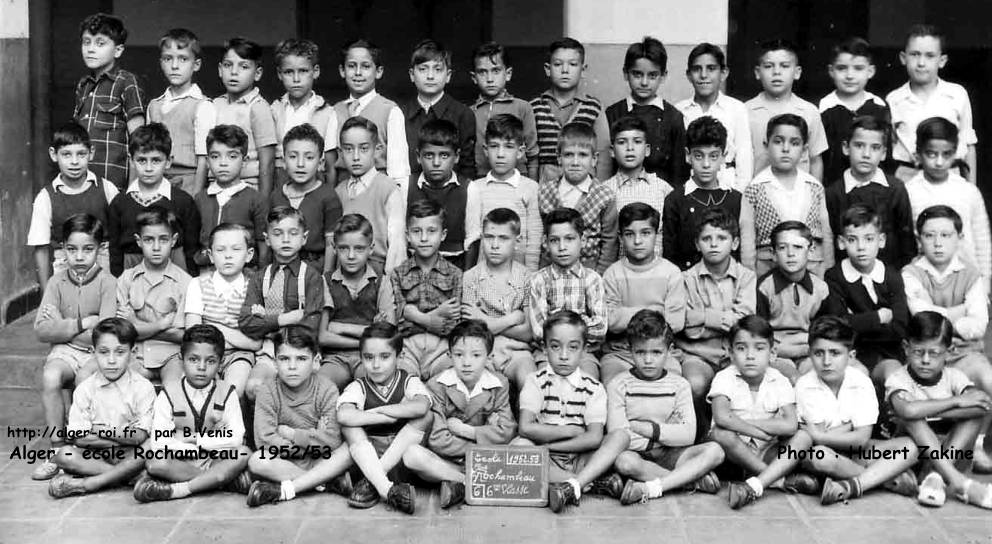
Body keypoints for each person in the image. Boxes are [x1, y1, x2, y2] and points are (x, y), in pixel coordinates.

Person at [903, 205, 992, 472]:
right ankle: (929, 453)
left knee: (988, 381)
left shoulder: (971, 275)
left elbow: (977, 326)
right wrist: (959, 312)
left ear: (959, 238)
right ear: (919, 239)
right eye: (929, 236)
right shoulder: (911, 273)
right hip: (927, 354)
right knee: (910, 395)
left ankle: (976, 445)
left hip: (965, 354)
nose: (938, 243)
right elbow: (922, 320)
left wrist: (940, 314)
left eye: (946, 235)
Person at [798, 317, 920, 506]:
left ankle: (854, 484)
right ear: (809, 354)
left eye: (835, 353)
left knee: (911, 447)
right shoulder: (806, 385)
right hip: (827, 455)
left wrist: (824, 435)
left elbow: (861, 438)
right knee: (819, 456)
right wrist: (848, 427)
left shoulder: (861, 382)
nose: (827, 361)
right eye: (819, 353)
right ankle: (884, 479)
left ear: (851, 356)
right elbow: (816, 441)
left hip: (857, 452)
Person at [513, 310, 626, 513]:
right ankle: (585, 483)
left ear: (584, 350)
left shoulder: (593, 387)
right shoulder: (535, 381)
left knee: (620, 436)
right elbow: (525, 428)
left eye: (573, 347)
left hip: (581, 457)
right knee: (520, 448)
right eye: (555, 347)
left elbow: (593, 438)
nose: (564, 356)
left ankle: (570, 484)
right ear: (544, 348)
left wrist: (549, 442)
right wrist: (571, 431)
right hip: (546, 458)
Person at [32, 214, 117, 481]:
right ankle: (57, 449)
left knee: (85, 379)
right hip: (65, 352)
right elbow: (40, 330)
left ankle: (86, 446)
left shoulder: (108, 282)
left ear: (100, 249)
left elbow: (104, 336)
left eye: (88, 249)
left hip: (97, 354)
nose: (79, 256)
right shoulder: (56, 282)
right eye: (72, 249)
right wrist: (82, 323)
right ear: (63, 249)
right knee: (50, 376)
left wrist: (62, 326)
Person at [609, 310, 725, 504]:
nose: (648, 360)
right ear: (630, 350)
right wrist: (667, 433)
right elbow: (619, 436)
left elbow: (688, 435)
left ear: (669, 350)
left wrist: (648, 429)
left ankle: (654, 486)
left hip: (672, 454)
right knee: (624, 461)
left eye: (656, 352)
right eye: (640, 352)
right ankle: (689, 480)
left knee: (715, 450)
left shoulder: (679, 385)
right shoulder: (619, 385)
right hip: (639, 458)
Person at [709, 315, 819, 509]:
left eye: (759, 348)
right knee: (721, 432)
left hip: (767, 450)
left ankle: (757, 482)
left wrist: (742, 423)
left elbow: (790, 425)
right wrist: (760, 430)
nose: (750, 356)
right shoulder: (724, 378)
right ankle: (776, 479)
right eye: (742, 348)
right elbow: (721, 417)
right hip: (732, 455)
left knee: (803, 437)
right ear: (731, 353)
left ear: (773, 352)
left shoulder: (779, 380)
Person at [405, 319, 517, 509]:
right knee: (412, 455)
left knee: (520, 447)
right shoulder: (437, 385)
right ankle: (467, 482)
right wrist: (487, 434)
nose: (466, 363)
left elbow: (507, 432)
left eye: (476, 355)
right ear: (449, 356)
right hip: (450, 462)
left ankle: (459, 486)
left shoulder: (499, 384)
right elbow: (439, 440)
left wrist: (465, 431)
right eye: (459, 355)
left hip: (487, 462)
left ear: (489, 357)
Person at [885, 311, 992, 509]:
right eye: (918, 352)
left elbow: (982, 405)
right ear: (906, 348)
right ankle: (956, 482)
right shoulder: (898, 379)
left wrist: (925, 410)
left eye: (934, 353)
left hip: (954, 453)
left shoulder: (954, 376)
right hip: (914, 458)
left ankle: (936, 475)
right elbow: (908, 411)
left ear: (949, 351)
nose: (925, 360)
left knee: (973, 415)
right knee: (912, 419)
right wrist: (958, 401)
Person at [134, 324, 252, 502]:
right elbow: (160, 441)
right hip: (182, 461)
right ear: (182, 359)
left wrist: (196, 440)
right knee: (155, 462)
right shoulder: (168, 394)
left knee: (243, 453)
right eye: (194, 359)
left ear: (220, 362)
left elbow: (236, 438)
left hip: (216, 459)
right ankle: (222, 480)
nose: (202, 367)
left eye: (210, 361)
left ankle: (180, 489)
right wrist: (194, 449)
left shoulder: (228, 393)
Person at [246, 324, 353, 507]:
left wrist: (292, 435)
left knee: (349, 450)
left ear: (316, 360)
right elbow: (265, 441)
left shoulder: (327, 389)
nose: (292, 366)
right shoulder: (267, 391)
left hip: (320, 458)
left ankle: (292, 486)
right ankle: (323, 482)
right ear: (274, 362)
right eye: (284, 359)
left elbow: (332, 440)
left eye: (301, 358)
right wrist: (314, 437)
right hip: (287, 460)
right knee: (257, 460)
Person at [47, 318, 155, 498]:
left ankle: (89, 483)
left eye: (120, 352)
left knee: (152, 446)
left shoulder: (143, 387)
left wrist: (98, 430)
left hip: (130, 454)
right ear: (93, 353)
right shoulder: (84, 389)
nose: (111, 360)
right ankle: (128, 476)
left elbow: (140, 436)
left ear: (133, 352)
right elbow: (79, 439)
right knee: (65, 454)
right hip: (97, 455)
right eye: (104, 352)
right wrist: (121, 438)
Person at [336, 321, 429, 515]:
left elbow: (421, 406)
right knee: (349, 427)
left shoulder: (408, 381)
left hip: (402, 460)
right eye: (369, 357)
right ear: (360, 358)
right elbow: (344, 415)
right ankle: (387, 490)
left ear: (399, 356)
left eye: (385, 357)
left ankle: (373, 483)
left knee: (426, 417)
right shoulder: (358, 386)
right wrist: (388, 417)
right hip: (369, 458)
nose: (376, 365)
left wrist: (373, 413)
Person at [239, 206, 328, 399]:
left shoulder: (311, 277)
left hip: (301, 351)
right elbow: (247, 323)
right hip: (269, 351)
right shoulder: (259, 277)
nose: (286, 239)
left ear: (304, 238)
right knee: (254, 387)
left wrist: (266, 320)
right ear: (267, 239)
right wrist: (283, 319)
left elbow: (310, 325)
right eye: (278, 234)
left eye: (293, 233)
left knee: (300, 391)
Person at [676, 208, 756, 418]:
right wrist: (723, 319)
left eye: (721, 238)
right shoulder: (686, 278)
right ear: (697, 244)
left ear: (735, 243)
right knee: (695, 384)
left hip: (734, 354)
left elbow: (744, 323)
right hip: (697, 354)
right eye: (706, 238)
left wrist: (703, 318)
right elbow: (686, 325)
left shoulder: (746, 277)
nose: (713, 244)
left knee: (747, 383)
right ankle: (698, 435)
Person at [822, 204, 909, 388]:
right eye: (852, 240)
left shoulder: (891, 275)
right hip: (852, 354)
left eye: (869, 239)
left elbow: (900, 328)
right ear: (841, 242)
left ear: (882, 240)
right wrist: (879, 317)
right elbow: (838, 325)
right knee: (856, 377)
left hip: (889, 354)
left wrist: (856, 322)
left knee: (895, 377)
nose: (861, 247)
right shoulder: (835, 277)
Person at [600, 203, 686, 386]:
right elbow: (611, 321)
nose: (637, 241)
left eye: (645, 233)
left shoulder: (671, 273)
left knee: (672, 382)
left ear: (657, 234)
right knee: (613, 383)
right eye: (630, 234)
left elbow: (676, 322)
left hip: (661, 353)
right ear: (621, 237)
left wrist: (627, 314)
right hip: (620, 353)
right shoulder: (613, 273)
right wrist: (655, 310)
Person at [28, 122, 118, 290]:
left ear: (91, 153)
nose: (74, 162)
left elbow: (120, 236)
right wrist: (46, 295)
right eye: (67, 154)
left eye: (81, 154)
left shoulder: (107, 189)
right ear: (54, 155)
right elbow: (40, 247)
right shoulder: (45, 198)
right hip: (65, 263)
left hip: (102, 261)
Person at [742, 114, 833, 276]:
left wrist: (828, 273)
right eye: (778, 141)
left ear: (804, 150)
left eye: (794, 143)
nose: (785, 149)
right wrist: (750, 277)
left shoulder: (814, 187)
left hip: (812, 269)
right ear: (766, 145)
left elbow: (826, 234)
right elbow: (747, 240)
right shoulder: (754, 189)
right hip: (768, 269)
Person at [904, 117, 991, 287]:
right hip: (925, 281)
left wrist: (985, 280)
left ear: (955, 152)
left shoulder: (968, 191)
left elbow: (982, 240)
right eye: (931, 154)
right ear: (918, 153)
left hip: (967, 280)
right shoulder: (909, 191)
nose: (939, 162)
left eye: (946, 154)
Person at [382, 198, 463, 379]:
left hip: (442, 349)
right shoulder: (397, 274)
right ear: (408, 235)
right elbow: (398, 322)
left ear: (443, 234)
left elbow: (452, 324)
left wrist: (413, 315)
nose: (424, 238)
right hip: (407, 347)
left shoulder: (455, 274)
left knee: (448, 381)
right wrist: (432, 317)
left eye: (432, 231)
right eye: (417, 231)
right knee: (403, 382)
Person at [107, 123, 200, 277]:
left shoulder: (183, 201)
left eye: (156, 160)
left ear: (169, 161)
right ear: (131, 160)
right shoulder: (120, 202)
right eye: (142, 160)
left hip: (174, 271)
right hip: (131, 271)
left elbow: (191, 249)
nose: (149, 168)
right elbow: (115, 250)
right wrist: (117, 281)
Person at [887, 25, 977, 183]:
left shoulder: (957, 94)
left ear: (942, 61)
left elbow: (968, 145)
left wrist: (971, 188)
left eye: (930, 56)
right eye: (914, 54)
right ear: (903, 58)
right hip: (908, 178)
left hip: (951, 177)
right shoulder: (894, 99)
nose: (921, 63)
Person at [824, 115, 916, 269]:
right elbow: (831, 241)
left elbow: (906, 240)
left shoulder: (895, 188)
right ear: (846, 148)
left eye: (875, 147)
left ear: (884, 153)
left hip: (889, 275)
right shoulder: (833, 193)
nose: (866, 154)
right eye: (859, 145)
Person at [663, 116, 753, 271]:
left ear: (724, 157)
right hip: (687, 284)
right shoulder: (676, 200)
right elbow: (670, 255)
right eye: (699, 156)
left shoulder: (735, 199)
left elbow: (742, 254)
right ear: (687, 155)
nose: (706, 164)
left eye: (713, 156)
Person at [460, 208, 536, 391]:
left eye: (503, 238)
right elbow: (471, 328)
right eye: (489, 237)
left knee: (530, 379)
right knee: (481, 386)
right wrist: (511, 319)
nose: (494, 245)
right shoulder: (471, 278)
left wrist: (485, 320)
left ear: (517, 242)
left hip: (518, 352)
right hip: (483, 352)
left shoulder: (527, 278)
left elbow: (528, 332)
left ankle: (528, 419)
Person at [528, 208, 607, 379]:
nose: (562, 247)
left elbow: (601, 328)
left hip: (583, 352)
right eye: (555, 240)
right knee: (543, 381)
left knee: (589, 380)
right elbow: (538, 330)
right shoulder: (539, 280)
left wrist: (556, 322)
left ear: (583, 240)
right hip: (548, 352)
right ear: (545, 243)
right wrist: (581, 322)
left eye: (569, 239)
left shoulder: (592, 279)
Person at [115, 206, 191, 385]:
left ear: (173, 240)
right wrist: (162, 325)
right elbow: (121, 332)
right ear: (138, 241)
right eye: (149, 240)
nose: (156, 247)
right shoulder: (127, 279)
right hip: (134, 355)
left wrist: (136, 325)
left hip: (172, 356)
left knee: (175, 388)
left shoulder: (186, 282)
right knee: (119, 385)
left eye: (163, 240)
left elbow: (183, 335)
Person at [184, 223, 261, 397]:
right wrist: (236, 335)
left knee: (232, 392)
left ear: (249, 255)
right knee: (195, 392)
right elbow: (193, 334)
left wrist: (212, 325)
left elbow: (255, 343)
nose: (228, 256)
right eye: (220, 250)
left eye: (236, 249)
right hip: (203, 354)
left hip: (239, 356)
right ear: (210, 255)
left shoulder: (255, 287)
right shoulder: (197, 285)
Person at [318, 214, 391, 391]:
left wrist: (341, 327)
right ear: (334, 248)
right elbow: (323, 337)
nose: (351, 256)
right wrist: (369, 331)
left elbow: (387, 334)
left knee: (372, 385)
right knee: (320, 385)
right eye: (343, 248)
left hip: (371, 356)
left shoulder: (382, 281)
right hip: (335, 358)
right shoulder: (325, 281)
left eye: (359, 248)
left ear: (371, 248)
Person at [74, 13, 146, 188]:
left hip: (114, 183)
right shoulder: (83, 85)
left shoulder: (126, 82)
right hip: (82, 182)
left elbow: (139, 142)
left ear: (118, 50)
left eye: (100, 43)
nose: (91, 49)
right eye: (86, 42)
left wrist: (133, 189)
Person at [464, 114, 543, 272]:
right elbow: (472, 236)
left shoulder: (530, 188)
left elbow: (534, 239)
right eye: (494, 146)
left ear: (520, 151)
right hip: (484, 273)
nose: (500, 154)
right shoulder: (475, 188)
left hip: (520, 273)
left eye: (508, 146)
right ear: (485, 150)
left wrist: (531, 275)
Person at [537, 122, 619, 274]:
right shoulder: (545, 192)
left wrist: (599, 275)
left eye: (582, 155)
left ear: (594, 159)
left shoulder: (604, 196)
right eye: (568, 155)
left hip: (589, 270)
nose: (575, 162)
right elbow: (540, 236)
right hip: (550, 271)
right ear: (559, 158)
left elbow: (610, 241)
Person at [605, 36, 687, 187]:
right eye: (637, 74)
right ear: (625, 73)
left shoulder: (673, 117)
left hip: (661, 199)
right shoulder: (613, 113)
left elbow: (679, 171)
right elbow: (607, 166)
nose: (644, 82)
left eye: (652, 76)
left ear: (663, 76)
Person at [756, 221, 830, 380]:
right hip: (776, 353)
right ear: (773, 254)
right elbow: (758, 336)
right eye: (782, 248)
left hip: (809, 351)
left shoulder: (821, 289)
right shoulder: (763, 288)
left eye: (797, 247)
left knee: (816, 375)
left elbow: (825, 333)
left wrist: (809, 350)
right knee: (792, 379)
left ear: (810, 251)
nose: (790, 254)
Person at [531, 37, 612, 183]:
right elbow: (531, 156)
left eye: (573, 64)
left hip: (584, 183)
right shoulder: (535, 107)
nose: (565, 70)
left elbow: (603, 154)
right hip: (545, 185)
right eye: (557, 64)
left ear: (583, 70)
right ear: (548, 69)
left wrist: (600, 187)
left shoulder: (593, 107)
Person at [746, 39, 828, 181]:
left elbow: (815, 160)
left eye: (784, 66)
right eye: (768, 66)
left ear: (797, 72)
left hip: (799, 196)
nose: (776, 72)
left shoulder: (809, 111)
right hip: (758, 195)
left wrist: (815, 196)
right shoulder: (745, 111)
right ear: (757, 72)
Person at [332, 39, 409, 187]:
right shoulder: (335, 111)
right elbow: (331, 164)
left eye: (366, 66)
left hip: (378, 191)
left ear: (378, 72)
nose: (358, 73)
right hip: (343, 194)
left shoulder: (390, 111)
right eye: (352, 66)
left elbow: (399, 170)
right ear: (342, 71)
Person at [147, 28, 216, 195]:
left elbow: (203, 161)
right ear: (161, 62)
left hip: (189, 186)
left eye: (183, 59)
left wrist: (196, 198)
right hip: (156, 184)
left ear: (196, 65)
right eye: (168, 59)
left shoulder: (202, 106)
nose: (175, 65)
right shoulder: (154, 105)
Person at [335, 116, 407, 274]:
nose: (355, 156)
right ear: (340, 152)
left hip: (377, 271)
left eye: (363, 149)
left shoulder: (387, 189)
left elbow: (397, 244)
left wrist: (390, 281)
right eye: (348, 149)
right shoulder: (339, 192)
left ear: (378, 150)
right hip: (344, 270)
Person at [676, 43, 752, 190]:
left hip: (727, 186)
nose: (704, 75)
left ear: (723, 73)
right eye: (697, 69)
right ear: (689, 75)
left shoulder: (737, 109)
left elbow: (744, 159)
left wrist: (738, 196)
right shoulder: (679, 110)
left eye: (711, 69)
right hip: (689, 188)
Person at [269, 123, 343, 273]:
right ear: (283, 161)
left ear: (321, 163)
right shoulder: (276, 196)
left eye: (309, 157)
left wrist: (326, 277)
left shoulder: (328, 197)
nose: (300, 164)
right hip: (281, 267)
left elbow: (331, 244)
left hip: (314, 267)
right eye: (293, 157)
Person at [818, 37, 892, 186]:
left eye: (858, 68)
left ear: (870, 71)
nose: (850, 75)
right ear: (831, 71)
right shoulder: (823, 109)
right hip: (834, 188)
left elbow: (886, 153)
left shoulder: (879, 107)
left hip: (873, 187)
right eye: (842, 68)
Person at [194, 125, 268, 269]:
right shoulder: (200, 199)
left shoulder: (256, 200)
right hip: (207, 273)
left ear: (244, 160)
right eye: (215, 156)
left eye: (232, 156)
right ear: (208, 161)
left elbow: (263, 247)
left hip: (245, 274)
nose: (223, 163)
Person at [401, 39, 475, 179]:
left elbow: (467, 167)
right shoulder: (400, 114)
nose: (430, 76)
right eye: (423, 69)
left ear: (448, 76)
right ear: (412, 74)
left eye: (438, 69)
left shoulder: (463, 114)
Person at [602, 116, 675, 260]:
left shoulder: (663, 189)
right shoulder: (604, 191)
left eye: (637, 142)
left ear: (647, 149)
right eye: (622, 142)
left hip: (658, 272)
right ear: (612, 151)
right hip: (619, 273)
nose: (630, 148)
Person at [213, 37, 277, 195]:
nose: (234, 72)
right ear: (220, 69)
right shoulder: (214, 105)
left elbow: (267, 162)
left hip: (248, 186)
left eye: (244, 66)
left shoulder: (258, 107)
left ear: (257, 73)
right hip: (216, 185)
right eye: (228, 65)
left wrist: (263, 203)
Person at [270, 38, 337, 186]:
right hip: (281, 187)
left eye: (303, 71)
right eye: (288, 72)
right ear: (279, 74)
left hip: (316, 188)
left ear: (316, 71)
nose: (296, 79)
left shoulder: (327, 113)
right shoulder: (274, 111)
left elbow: (331, 167)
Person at [406, 120, 471, 269]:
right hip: (414, 267)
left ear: (456, 156)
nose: (436, 162)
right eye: (429, 155)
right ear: (418, 156)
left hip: (455, 265)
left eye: (444, 155)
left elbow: (472, 239)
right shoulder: (406, 186)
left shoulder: (468, 189)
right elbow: (400, 238)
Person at [469, 42, 539, 179]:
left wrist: (532, 185)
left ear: (508, 74)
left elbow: (532, 154)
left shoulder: (523, 108)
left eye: (495, 71)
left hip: (519, 177)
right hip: (481, 178)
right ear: (474, 78)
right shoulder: (469, 113)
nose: (490, 79)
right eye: (482, 72)